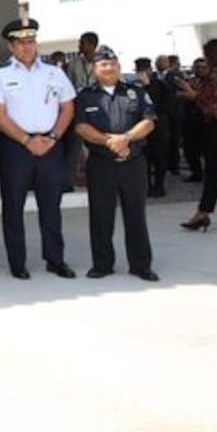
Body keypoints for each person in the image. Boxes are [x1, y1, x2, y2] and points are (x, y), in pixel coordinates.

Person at [0, 19, 77, 279]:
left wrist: (53, 137)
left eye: (31, 41)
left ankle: (55, 259)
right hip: (16, 147)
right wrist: (26, 140)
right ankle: (17, 263)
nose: (27, 47)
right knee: (13, 206)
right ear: (10, 46)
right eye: (20, 42)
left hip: (50, 144)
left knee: (51, 205)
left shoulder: (54, 72)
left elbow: (68, 108)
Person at [73, 46, 159, 281]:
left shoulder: (136, 91)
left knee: (136, 215)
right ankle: (102, 265)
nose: (108, 68)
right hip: (101, 164)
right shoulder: (85, 96)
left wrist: (126, 138)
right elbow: (81, 127)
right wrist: (109, 141)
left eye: (112, 63)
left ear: (119, 67)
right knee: (101, 216)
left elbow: (149, 121)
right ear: (94, 69)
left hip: (133, 162)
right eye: (103, 64)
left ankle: (141, 265)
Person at [179, 38, 217, 231]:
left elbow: (210, 104)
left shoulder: (216, 76)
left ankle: (203, 213)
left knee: (214, 172)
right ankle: (202, 213)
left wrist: (192, 95)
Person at [63, 32, 98, 191]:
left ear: (92, 44)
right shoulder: (74, 64)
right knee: (74, 146)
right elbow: (67, 86)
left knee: (98, 144)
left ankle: (98, 179)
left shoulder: (102, 62)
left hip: (98, 107)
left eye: (83, 43)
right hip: (78, 108)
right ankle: (68, 182)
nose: (79, 46)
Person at [135, 57, 172, 197]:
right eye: (139, 70)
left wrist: (147, 86)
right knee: (144, 158)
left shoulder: (160, 85)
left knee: (159, 157)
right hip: (141, 127)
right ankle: (147, 186)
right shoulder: (134, 87)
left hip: (158, 126)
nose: (141, 74)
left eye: (144, 70)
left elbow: (162, 104)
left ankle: (159, 186)